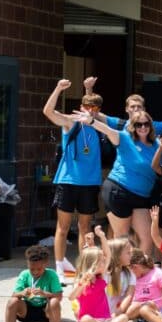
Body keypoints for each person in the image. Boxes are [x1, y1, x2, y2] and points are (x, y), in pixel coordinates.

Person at [77, 106, 162, 254]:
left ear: (151, 125)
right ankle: (118, 273)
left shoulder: (157, 144)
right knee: (122, 238)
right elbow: (108, 130)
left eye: (146, 124)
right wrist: (92, 121)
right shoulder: (124, 137)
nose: (142, 127)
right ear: (133, 126)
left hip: (142, 196)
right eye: (138, 124)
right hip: (119, 190)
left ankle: (139, 272)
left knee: (147, 237)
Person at [43, 79, 106, 278]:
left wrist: (88, 90)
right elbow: (48, 112)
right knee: (62, 227)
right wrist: (59, 88)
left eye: (95, 108)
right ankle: (59, 268)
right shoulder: (71, 122)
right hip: (68, 180)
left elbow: (92, 102)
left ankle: (83, 266)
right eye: (87, 107)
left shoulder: (99, 125)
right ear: (81, 107)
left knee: (85, 227)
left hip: (90, 183)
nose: (91, 110)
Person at [4, 245, 62, 322]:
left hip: (46, 311)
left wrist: (44, 294)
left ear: (46, 264)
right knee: (12, 302)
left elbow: (59, 296)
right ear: (28, 264)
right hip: (27, 311)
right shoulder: (24, 274)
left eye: (39, 269)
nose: (35, 272)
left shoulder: (52, 274)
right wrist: (22, 293)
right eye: (32, 269)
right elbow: (14, 295)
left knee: (54, 302)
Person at [69, 247, 131, 322]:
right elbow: (71, 297)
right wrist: (81, 284)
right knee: (85, 319)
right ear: (93, 263)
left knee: (124, 317)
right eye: (102, 261)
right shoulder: (81, 281)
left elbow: (109, 255)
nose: (105, 262)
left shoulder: (102, 277)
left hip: (105, 319)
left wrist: (102, 236)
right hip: (90, 321)